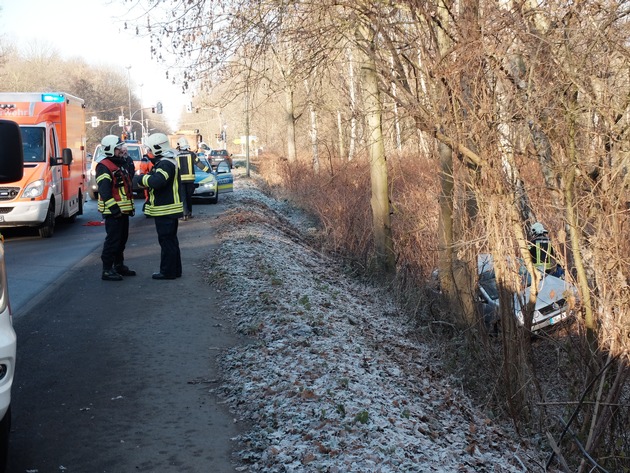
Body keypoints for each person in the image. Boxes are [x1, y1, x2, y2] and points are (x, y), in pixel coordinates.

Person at [133, 133, 184, 280]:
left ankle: (167, 272)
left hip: (165, 210)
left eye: (149, 150)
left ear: (156, 149)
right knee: (171, 242)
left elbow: (158, 181)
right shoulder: (169, 161)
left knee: (167, 242)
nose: (148, 153)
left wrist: (140, 178)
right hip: (169, 209)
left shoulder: (165, 163)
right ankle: (175, 270)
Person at [96, 135, 136, 281]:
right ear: (111, 149)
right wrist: (115, 210)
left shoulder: (120, 164)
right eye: (119, 148)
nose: (122, 150)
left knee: (122, 240)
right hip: (114, 213)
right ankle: (107, 270)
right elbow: (105, 191)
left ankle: (119, 265)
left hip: (122, 211)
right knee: (113, 241)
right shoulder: (104, 167)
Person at [175, 136, 210, 220]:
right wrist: (208, 171)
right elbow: (199, 164)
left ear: (179, 145)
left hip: (180, 180)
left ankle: (184, 214)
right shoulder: (191, 154)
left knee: (182, 197)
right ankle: (189, 213)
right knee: (188, 197)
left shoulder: (175, 155)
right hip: (190, 180)